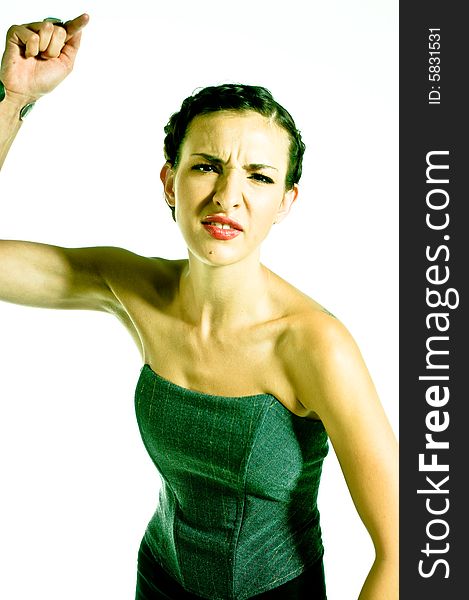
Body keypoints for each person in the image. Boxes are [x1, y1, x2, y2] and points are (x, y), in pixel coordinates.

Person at [0, 13, 398, 600]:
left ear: (286, 201)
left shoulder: (313, 344)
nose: (227, 196)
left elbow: (404, 547)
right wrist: (13, 98)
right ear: (170, 180)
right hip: (157, 580)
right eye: (206, 166)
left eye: (259, 177)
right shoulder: (130, 288)